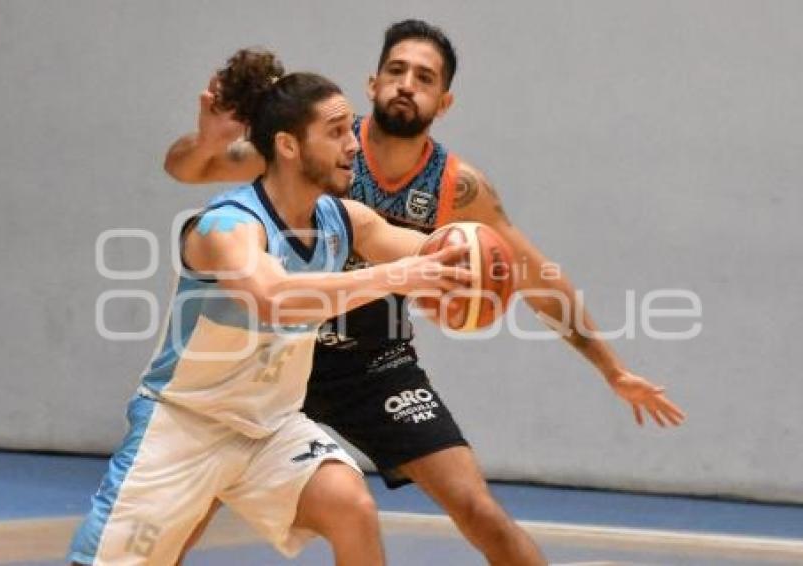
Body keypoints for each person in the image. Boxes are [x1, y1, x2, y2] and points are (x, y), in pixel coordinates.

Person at [165, 20, 686, 566]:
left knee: (478, 508)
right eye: (396, 70)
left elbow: (536, 277)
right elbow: (186, 168)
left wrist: (611, 368)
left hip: (375, 364)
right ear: (372, 83)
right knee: (190, 505)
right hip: (278, 354)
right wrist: (205, 142)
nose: (406, 84)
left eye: (424, 77)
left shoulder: (456, 187)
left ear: (445, 100)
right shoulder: (320, 147)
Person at [68, 48, 471, 565]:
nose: (353, 145)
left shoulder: (344, 219)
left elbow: (428, 250)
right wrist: (398, 276)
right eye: (337, 132)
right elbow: (273, 297)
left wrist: (468, 264)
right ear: (287, 144)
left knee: (351, 505)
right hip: (188, 425)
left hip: (270, 429)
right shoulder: (227, 226)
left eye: (352, 129)